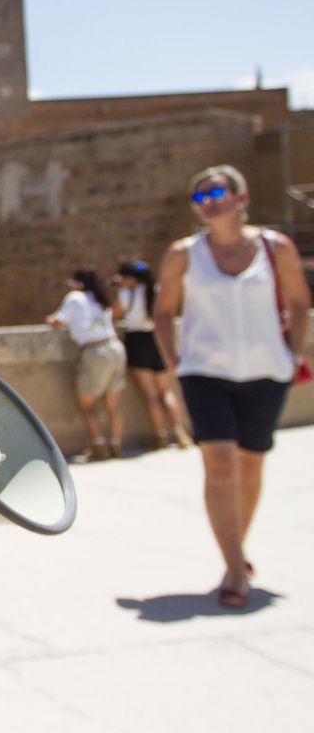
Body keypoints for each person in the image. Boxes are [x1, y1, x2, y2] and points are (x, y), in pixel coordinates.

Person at [152, 165, 310, 608]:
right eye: (199, 197)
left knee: (251, 466)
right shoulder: (183, 254)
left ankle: (235, 548)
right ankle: (236, 567)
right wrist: (176, 364)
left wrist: (291, 353)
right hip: (205, 373)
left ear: (241, 198)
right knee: (219, 464)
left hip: (266, 372)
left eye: (217, 192)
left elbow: (299, 302)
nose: (209, 201)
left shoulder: (275, 248)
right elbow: (162, 312)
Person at [47, 268, 126, 461]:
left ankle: (99, 446)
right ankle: (116, 445)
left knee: (87, 405)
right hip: (115, 347)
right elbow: (117, 313)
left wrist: (50, 320)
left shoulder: (75, 297)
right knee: (112, 403)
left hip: (95, 351)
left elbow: (58, 321)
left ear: (77, 283)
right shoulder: (100, 296)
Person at [113, 259, 189, 448]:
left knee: (150, 394)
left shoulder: (126, 294)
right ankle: (180, 433)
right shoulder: (155, 290)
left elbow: (115, 314)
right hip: (156, 341)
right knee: (165, 391)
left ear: (130, 278)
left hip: (137, 341)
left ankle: (160, 435)